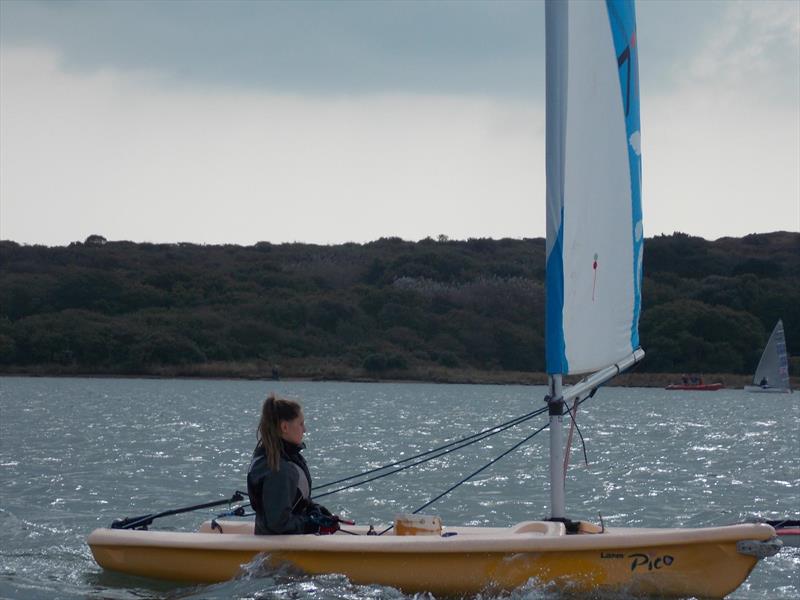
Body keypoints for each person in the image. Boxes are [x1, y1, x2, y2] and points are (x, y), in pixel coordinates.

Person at [247, 394, 338, 535]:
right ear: (284, 427)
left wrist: (314, 510)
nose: (305, 429)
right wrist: (312, 526)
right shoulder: (279, 469)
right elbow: (279, 524)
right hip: (279, 547)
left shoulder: (284, 458)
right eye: (301, 424)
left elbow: (295, 502)